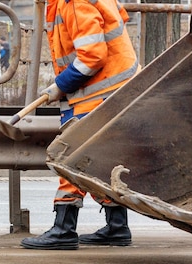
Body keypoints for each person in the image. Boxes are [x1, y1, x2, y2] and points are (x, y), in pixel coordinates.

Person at [21, 0, 139, 250]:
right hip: (113, 89)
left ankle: (64, 229)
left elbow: (92, 56)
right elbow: (117, 21)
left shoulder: (74, 3)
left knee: (71, 157)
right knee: (102, 161)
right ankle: (117, 227)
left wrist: (60, 86)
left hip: (101, 92)